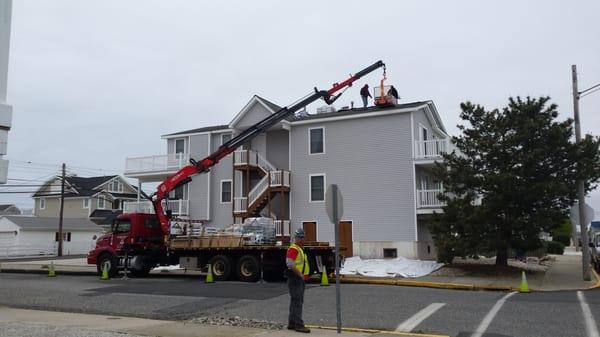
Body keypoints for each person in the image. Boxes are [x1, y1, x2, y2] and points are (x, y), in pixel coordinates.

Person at [286, 229, 310, 333]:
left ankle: (292, 323)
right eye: (300, 237)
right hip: (296, 279)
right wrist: (300, 274)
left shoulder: (299, 248)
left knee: (295, 301)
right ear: (296, 238)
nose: (302, 239)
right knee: (297, 302)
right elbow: (290, 264)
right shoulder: (294, 249)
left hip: (297, 278)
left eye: (303, 237)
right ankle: (299, 325)